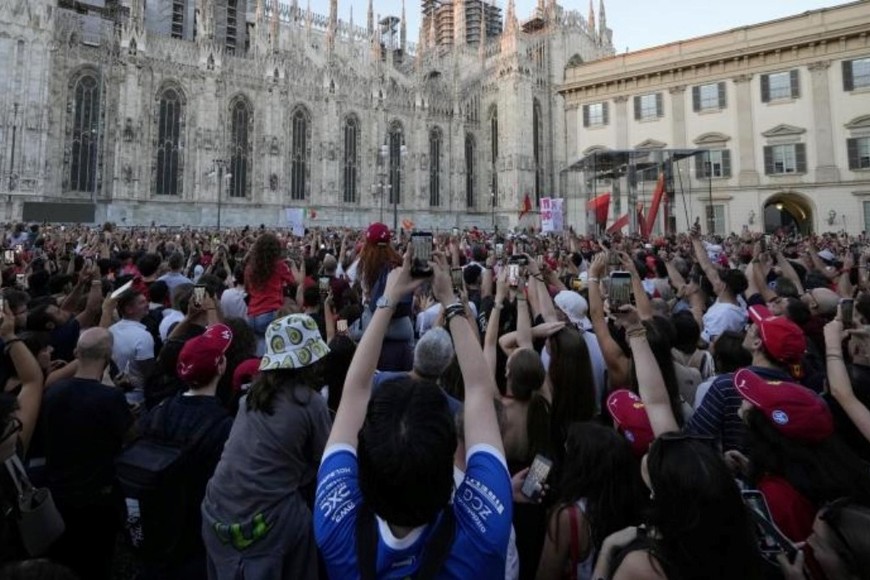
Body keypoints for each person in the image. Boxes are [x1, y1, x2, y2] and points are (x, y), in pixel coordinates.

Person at [314, 249, 513, 577]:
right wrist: (450, 299)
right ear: (451, 458)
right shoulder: (484, 534)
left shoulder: (333, 527)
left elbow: (354, 393)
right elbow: (479, 389)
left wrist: (387, 298)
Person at [201, 314, 331, 580]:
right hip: (267, 521)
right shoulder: (310, 401)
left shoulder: (252, 396)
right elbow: (327, 460)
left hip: (216, 509)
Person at [137, 324, 234, 580]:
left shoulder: (159, 410)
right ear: (221, 366)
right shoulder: (224, 425)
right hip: (198, 526)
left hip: (159, 519)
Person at [591, 435, 762, 580]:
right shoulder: (737, 541)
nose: (650, 446)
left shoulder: (644, 564)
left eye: (653, 455)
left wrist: (607, 549)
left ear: (661, 494)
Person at [730, 368, 870, 542]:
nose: (743, 402)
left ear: (766, 430)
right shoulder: (831, 470)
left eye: (750, 401)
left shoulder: (779, 497)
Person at [41, 327, 133, 580]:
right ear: (109, 355)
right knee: (96, 561)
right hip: (97, 495)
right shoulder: (110, 398)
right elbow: (127, 437)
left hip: (59, 491)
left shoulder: (53, 392)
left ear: (75, 353)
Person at [686, 305, 806, 452]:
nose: (747, 329)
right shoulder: (801, 394)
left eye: (752, 327)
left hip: (736, 472)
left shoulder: (729, 385)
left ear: (757, 343)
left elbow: (695, 438)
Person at [536, 422, 646, 580]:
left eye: (570, 453)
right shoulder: (630, 503)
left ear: (583, 467)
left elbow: (545, 575)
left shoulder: (568, 517)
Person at [245, 233, 294, 355]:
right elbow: (294, 281)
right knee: (273, 352)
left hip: (252, 315)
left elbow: (247, 289)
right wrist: (291, 266)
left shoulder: (250, 267)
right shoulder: (279, 266)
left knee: (257, 350)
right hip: (270, 312)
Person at [106, 289, 155, 402]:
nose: (147, 304)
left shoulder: (110, 330)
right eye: (142, 302)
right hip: (137, 399)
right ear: (129, 309)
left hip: (115, 395)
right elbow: (149, 373)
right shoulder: (143, 336)